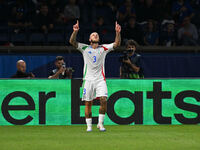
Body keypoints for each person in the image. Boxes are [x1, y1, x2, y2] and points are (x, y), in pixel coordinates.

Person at [69, 20, 121, 132]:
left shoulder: (103, 48)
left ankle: (100, 124)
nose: (95, 35)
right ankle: (89, 126)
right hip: (88, 80)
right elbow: (72, 42)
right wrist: (75, 31)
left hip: (100, 79)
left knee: (103, 100)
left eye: (96, 34)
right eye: (93, 34)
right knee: (88, 103)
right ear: (89, 39)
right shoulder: (84, 48)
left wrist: (117, 32)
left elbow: (117, 44)